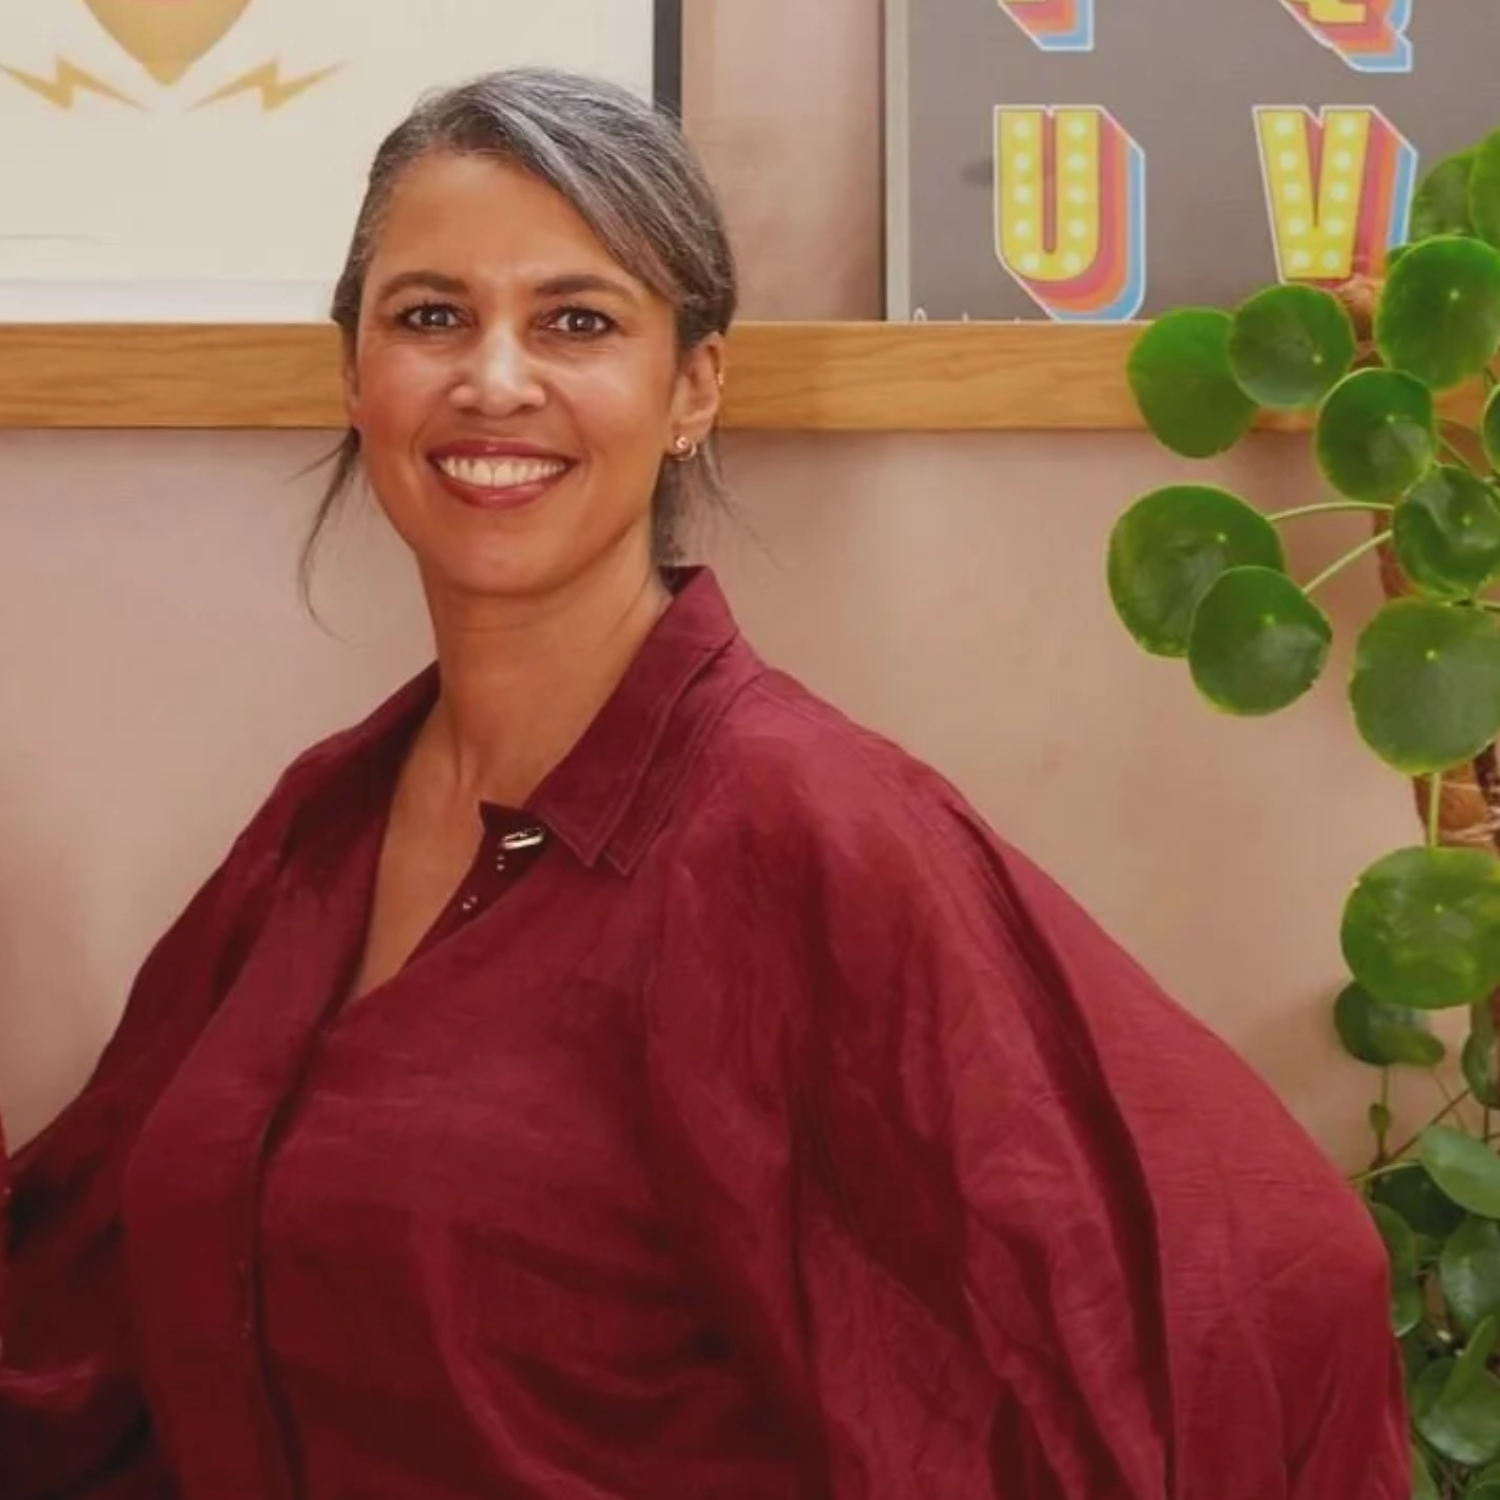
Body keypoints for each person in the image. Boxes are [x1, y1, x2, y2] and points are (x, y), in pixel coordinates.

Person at [0, 66, 1407, 1500]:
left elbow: (1262, 1294)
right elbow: (77, 1289)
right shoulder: (328, 819)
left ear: (692, 387)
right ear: (355, 375)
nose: (495, 377)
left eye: (577, 321)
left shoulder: (812, 830)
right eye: (431, 316)